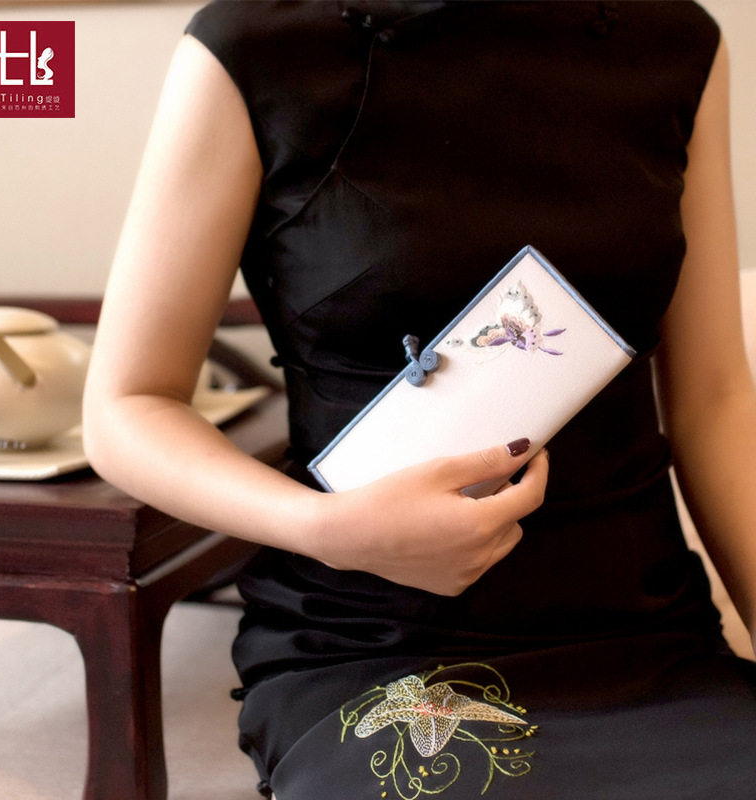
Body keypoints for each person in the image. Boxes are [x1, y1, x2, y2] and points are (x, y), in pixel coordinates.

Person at [83, 2, 756, 797]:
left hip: (645, 637)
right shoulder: (252, 45)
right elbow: (126, 407)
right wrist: (323, 528)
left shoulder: (677, 42)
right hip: (377, 647)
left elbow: (716, 400)